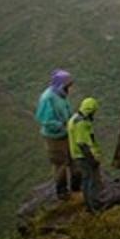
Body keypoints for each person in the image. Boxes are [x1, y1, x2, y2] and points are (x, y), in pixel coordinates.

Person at [35, 68, 76, 201]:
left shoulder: (61, 95)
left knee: (73, 159)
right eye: (68, 85)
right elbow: (45, 120)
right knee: (60, 163)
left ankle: (76, 188)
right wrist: (62, 125)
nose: (70, 88)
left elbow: (66, 111)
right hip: (55, 137)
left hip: (67, 133)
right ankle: (62, 191)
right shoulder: (48, 98)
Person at [67, 97, 103, 212]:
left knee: (87, 179)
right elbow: (82, 143)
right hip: (83, 156)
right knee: (90, 180)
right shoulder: (81, 123)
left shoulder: (74, 119)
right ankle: (93, 206)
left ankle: (90, 205)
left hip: (77, 155)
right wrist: (92, 159)